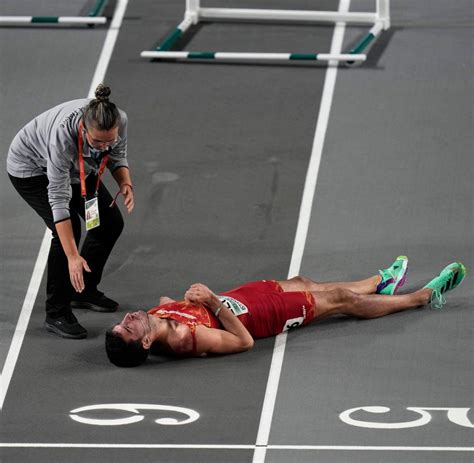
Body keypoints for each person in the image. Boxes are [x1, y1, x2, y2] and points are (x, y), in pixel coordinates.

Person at [105, 257, 466, 367]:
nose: (129, 319)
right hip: (262, 316)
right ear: (147, 342)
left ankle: (379, 283)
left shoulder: (155, 318)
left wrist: (179, 301)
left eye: (122, 322)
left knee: (302, 280)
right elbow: (242, 341)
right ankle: (422, 297)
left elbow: (177, 309)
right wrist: (212, 302)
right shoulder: (186, 339)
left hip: (243, 297)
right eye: (130, 328)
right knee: (340, 300)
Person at [7, 84, 134, 340]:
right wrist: (73, 257)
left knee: (109, 223)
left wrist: (124, 181)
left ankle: (83, 292)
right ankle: (56, 312)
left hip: (77, 170)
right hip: (32, 169)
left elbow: (117, 154)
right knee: (68, 232)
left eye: (108, 140)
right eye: (96, 141)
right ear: (83, 129)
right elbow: (58, 197)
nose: (102, 147)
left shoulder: (119, 119)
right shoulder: (62, 136)